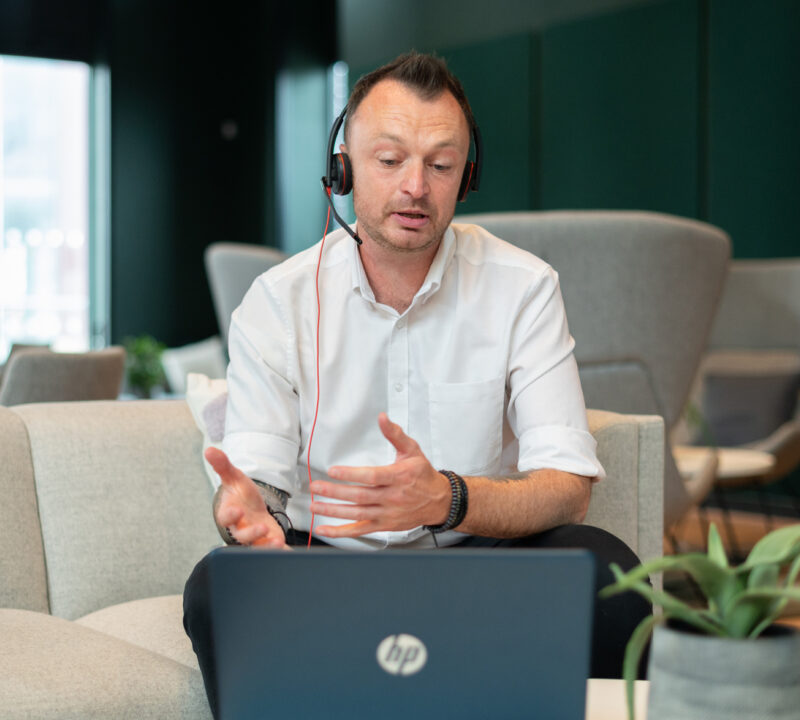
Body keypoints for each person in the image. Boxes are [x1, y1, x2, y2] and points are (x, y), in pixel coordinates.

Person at [184, 51, 649, 717]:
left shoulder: (524, 288)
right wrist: (248, 516)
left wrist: (446, 500)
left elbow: (567, 488)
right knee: (215, 589)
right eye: (390, 159)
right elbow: (256, 484)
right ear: (343, 167)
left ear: (467, 176)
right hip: (327, 562)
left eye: (440, 164)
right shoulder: (276, 301)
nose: (415, 186)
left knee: (611, 579)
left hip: (479, 559)